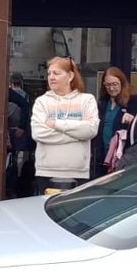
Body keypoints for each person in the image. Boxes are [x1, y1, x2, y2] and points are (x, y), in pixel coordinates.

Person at [30, 57, 99, 193]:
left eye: (56, 73)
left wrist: (56, 124)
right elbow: (38, 133)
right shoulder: (42, 102)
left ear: (70, 76)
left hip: (78, 172)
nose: (51, 77)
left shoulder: (87, 100)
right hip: (46, 171)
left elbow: (90, 130)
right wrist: (78, 135)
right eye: (49, 74)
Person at [96, 66, 137, 173]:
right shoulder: (103, 102)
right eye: (108, 85)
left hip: (122, 155)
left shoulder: (133, 101)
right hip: (102, 155)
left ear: (122, 83)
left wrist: (133, 120)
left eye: (115, 84)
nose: (111, 88)